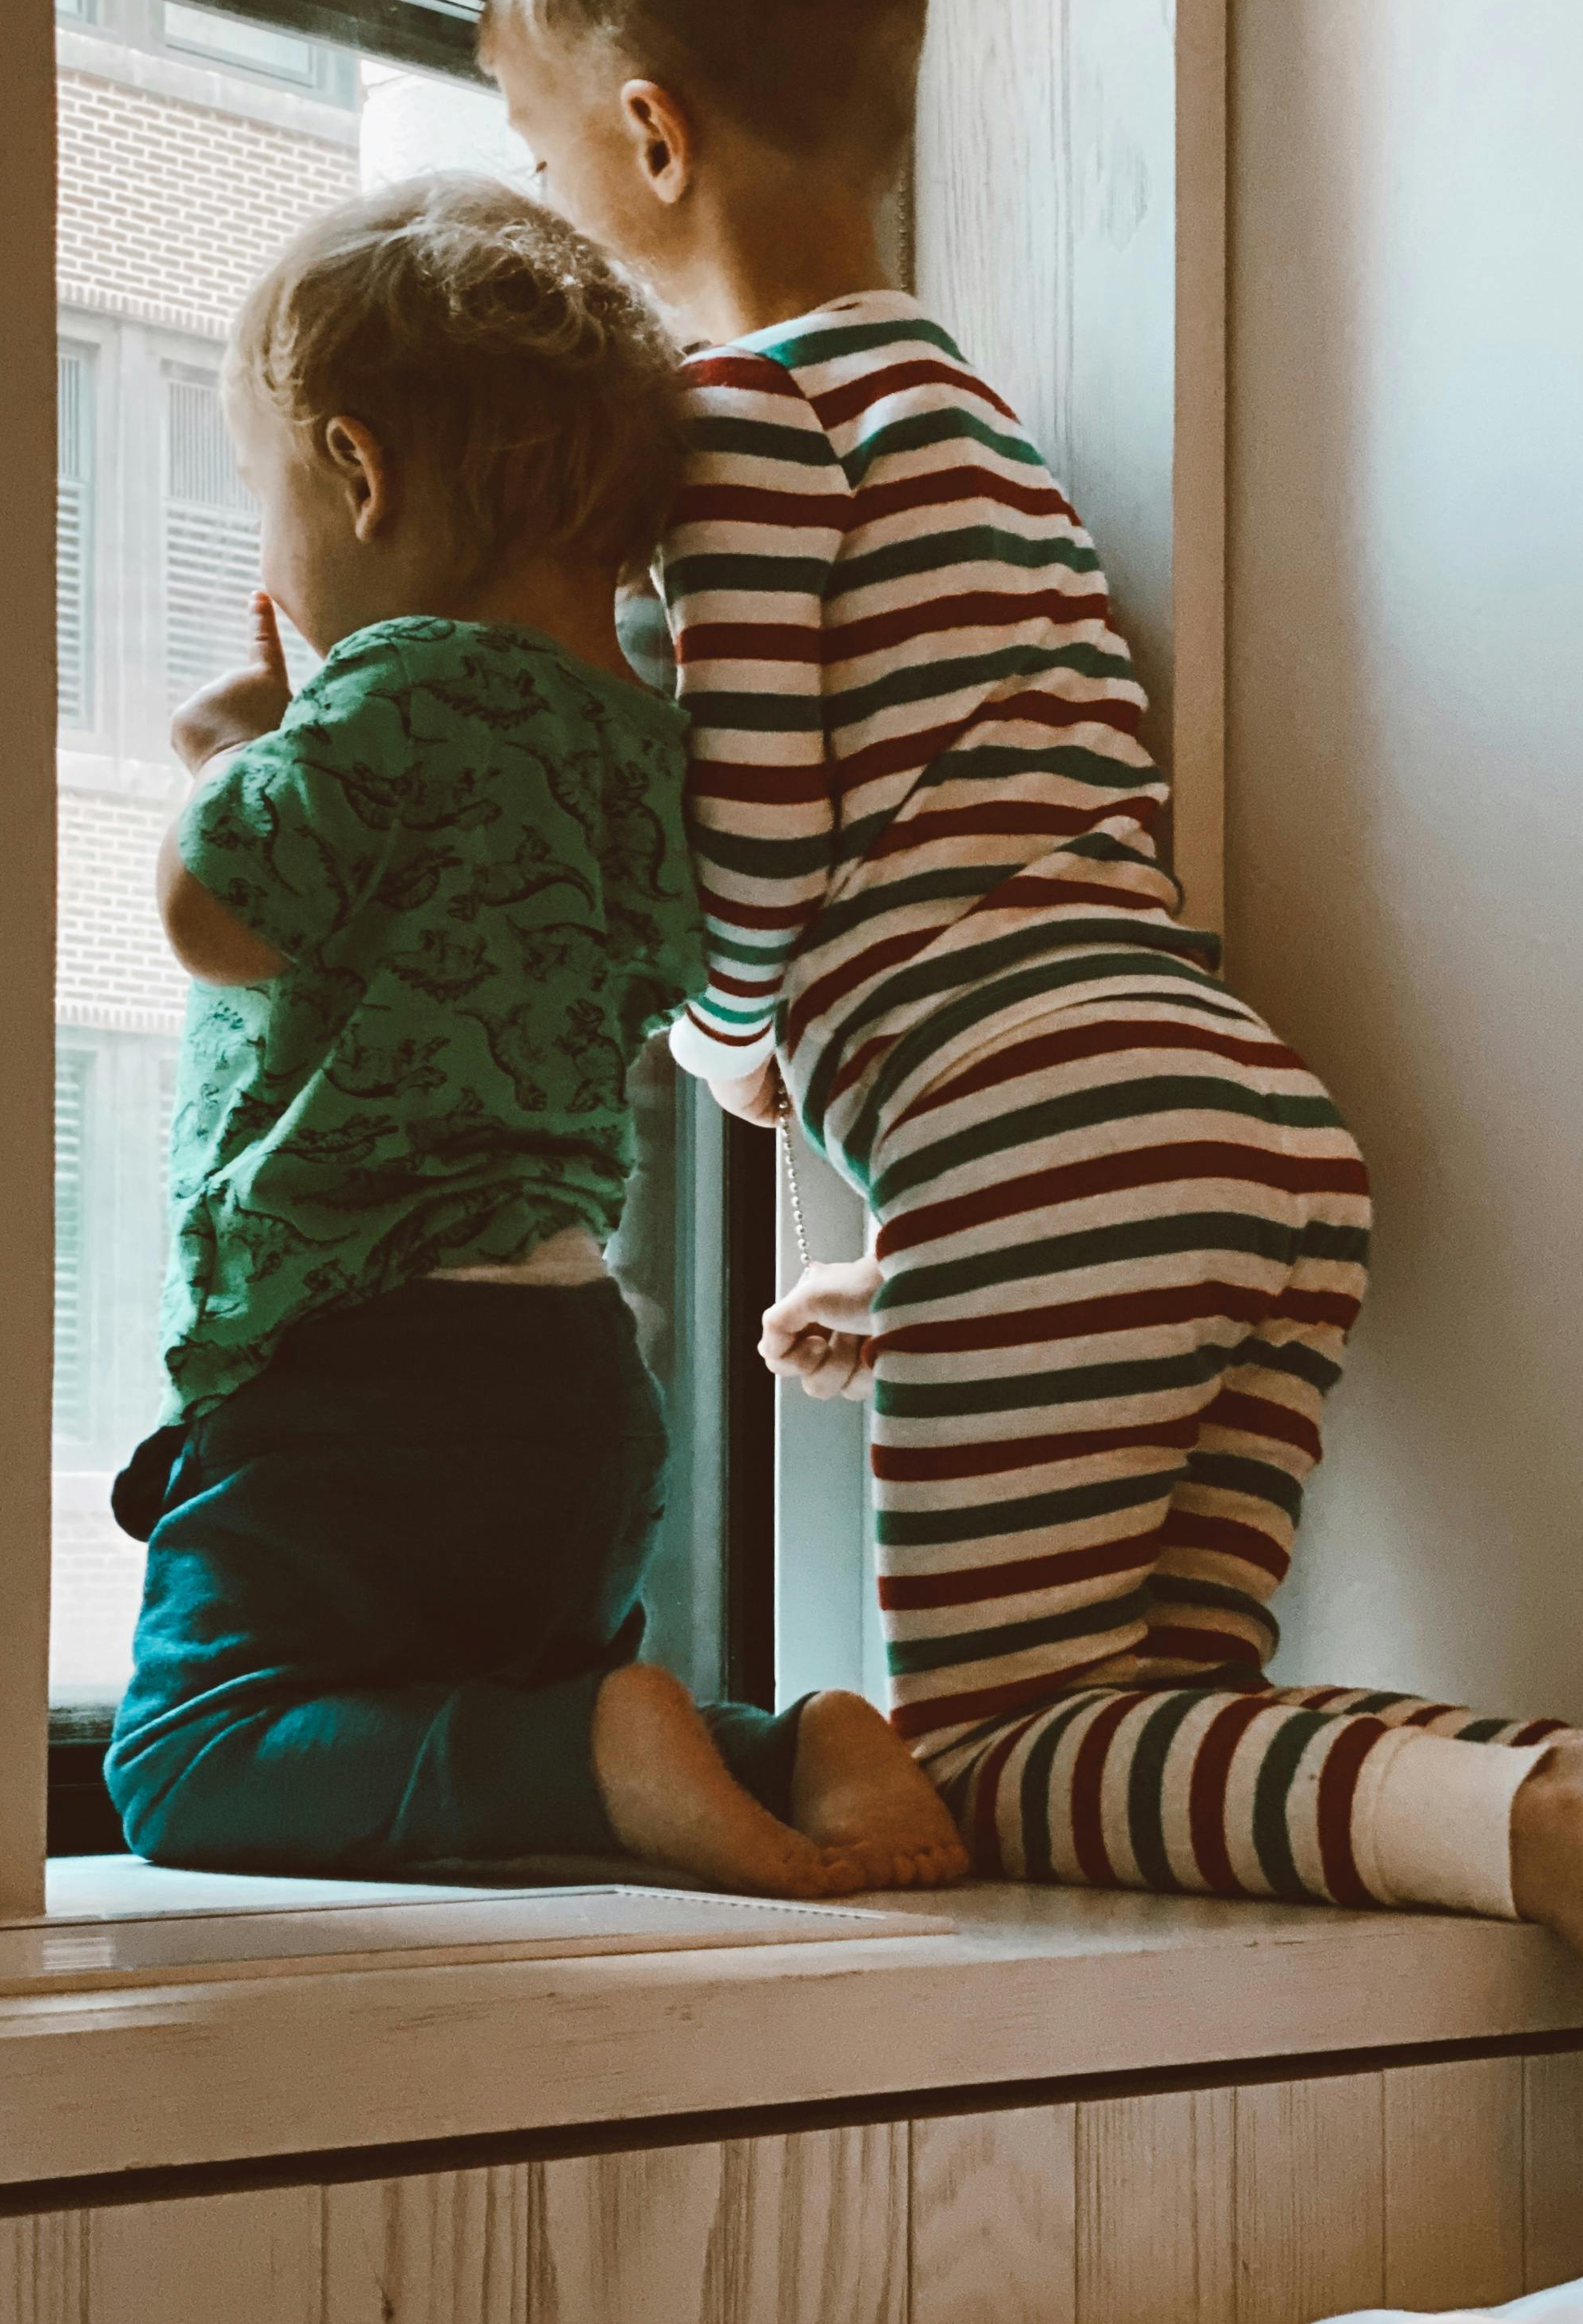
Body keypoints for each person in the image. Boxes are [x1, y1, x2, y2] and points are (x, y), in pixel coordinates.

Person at [479, 0, 1583, 2199]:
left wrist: (716, 1040)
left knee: (992, 1744)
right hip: (1232, 1122)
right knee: (1161, 1724)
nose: (564, 225)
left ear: (644, 134)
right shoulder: (968, 416)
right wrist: (925, 1231)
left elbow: (764, 849)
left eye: (546, 177)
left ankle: (1576, 1807)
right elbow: (1011, 854)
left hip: (1041, 1139)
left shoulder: (734, 425)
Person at [103, 171, 966, 1898]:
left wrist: (224, 752)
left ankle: (599, 1747)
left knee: (192, 1756)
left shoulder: (394, 696)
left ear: (356, 470)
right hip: (579, 1379)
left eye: (268, 506)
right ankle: (781, 1748)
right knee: (488, 1689)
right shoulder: (648, 754)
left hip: (361, 1363)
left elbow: (219, 915)